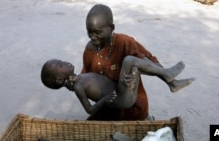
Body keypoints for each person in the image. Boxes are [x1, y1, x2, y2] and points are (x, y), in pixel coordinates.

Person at [81, 4, 195, 120]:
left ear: (111, 28)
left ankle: (170, 80)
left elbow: (149, 61)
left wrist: (135, 73)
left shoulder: (125, 42)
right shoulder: (90, 51)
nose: (93, 37)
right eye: (89, 33)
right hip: (109, 105)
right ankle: (171, 81)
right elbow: (84, 79)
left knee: (132, 61)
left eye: (97, 32)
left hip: (132, 104)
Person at [41, 56, 186, 115]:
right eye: (60, 65)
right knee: (129, 60)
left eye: (61, 61)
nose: (65, 62)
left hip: (123, 89)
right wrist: (104, 100)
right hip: (122, 99)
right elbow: (89, 110)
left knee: (141, 60)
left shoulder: (79, 78)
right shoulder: (79, 87)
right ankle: (168, 75)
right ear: (60, 80)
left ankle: (172, 83)